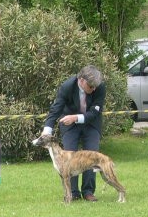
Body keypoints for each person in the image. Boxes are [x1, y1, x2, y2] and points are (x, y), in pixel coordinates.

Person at [42, 65, 106, 201]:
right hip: (69, 125)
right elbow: (56, 109)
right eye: (91, 86)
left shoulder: (99, 86)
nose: (94, 89)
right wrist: (47, 131)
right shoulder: (67, 87)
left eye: (95, 87)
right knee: (69, 155)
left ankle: (88, 192)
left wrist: (76, 117)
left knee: (91, 154)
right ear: (81, 80)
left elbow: (95, 112)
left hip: (91, 123)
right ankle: (74, 193)